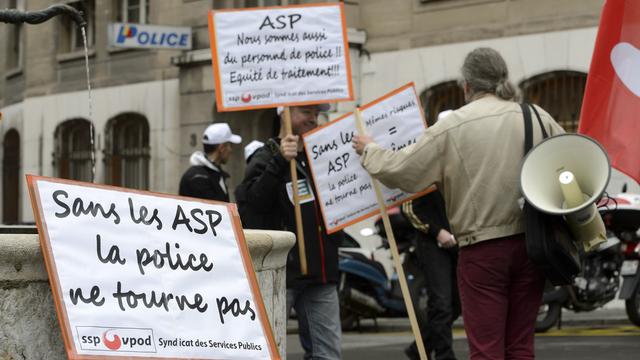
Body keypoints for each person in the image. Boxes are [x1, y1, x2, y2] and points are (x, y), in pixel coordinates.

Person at [353, 47, 565, 359]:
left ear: (466, 85)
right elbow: (568, 166)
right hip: (534, 245)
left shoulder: (453, 125)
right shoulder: (537, 116)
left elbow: (402, 171)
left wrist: (370, 150)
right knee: (520, 346)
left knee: (486, 349)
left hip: (482, 250)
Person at [235, 104, 342, 360]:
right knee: (269, 351)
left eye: (316, 112)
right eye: (306, 112)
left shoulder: (320, 155)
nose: (314, 118)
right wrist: (280, 161)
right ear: (284, 115)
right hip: (283, 275)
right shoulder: (265, 156)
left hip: (322, 273)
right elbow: (252, 206)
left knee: (328, 354)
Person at [402, 189, 460, 360]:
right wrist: (437, 231)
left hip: (456, 241)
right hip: (431, 243)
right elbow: (408, 209)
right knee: (441, 303)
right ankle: (444, 356)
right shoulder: (422, 167)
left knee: (457, 304)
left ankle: (419, 348)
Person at [179, 122, 241, 202]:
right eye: (230, 146)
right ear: (221, 148)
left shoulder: (212, 173)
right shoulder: (198, 178)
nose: (231, 150)